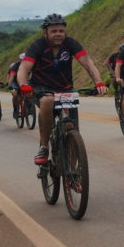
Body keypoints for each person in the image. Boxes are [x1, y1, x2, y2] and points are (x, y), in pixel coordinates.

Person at [17, 14, 108, 165]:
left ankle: (72, 173)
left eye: (61, 30)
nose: (58, 34)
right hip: (42, 88)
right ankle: (44, 146)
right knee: (47, 101)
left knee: (71, 128)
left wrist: (98, 82)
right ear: (45, 32)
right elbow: (24, 68)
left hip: (65, 89)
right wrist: (23, 85)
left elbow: (88, 64)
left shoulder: (71, 44)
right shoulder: (38, 46)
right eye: (54, 31)